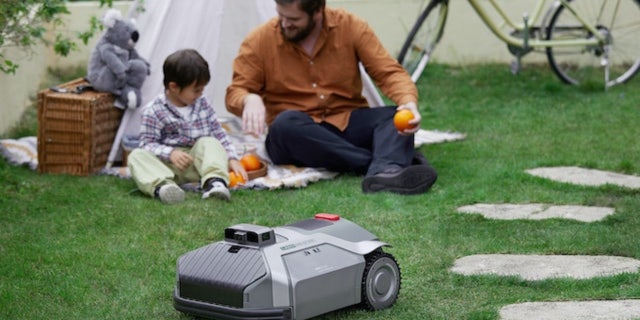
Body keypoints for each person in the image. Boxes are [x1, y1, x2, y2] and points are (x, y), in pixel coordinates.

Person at [226, 0, 437, 194]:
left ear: (318, 11)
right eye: (281, 16)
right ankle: (387, 166)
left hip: (347, 120)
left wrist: (409, 104)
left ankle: (384, 173)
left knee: (395, 116)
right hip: (297, 133)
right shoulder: (260, 40)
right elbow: (236, 92)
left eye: (293, 19)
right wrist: (249, 99)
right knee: (284, 124)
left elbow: (389, 72)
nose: (284, 24)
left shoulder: (350, 26)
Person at [128, 49, 247, 204]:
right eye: (196, 90)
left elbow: (219, 133)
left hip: (197, 165)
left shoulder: (202, 104)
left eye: (202, 89)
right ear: (174, 87)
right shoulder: (154, 111)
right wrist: (170, 153)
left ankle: (214, 183)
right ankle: (164, 187)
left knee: (210, 142)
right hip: (167, 167)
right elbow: (147, 144)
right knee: (136, 155)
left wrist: (232, 159)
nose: (200, 94)